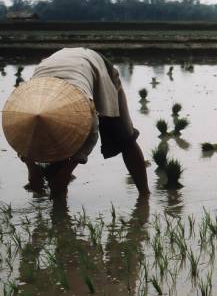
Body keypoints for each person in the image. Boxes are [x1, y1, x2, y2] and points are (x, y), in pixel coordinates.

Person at [1, 47, 149, 197]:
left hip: (94, 66)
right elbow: (22, 140)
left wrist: (67, 171)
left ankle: (145, 195)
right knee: (55, 140)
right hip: (53, 68)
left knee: (124, 137)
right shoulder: (27, 113)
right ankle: (58, 197)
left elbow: (92, 132)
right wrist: (31, 169)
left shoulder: (81, 104)